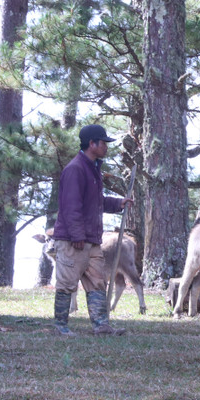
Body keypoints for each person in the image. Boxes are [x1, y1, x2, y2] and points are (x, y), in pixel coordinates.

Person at [51, 124, 133, 336]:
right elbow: (71, 206)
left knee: (97, 282)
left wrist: (118, 203)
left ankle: (101, 326)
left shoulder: (92, 169)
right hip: (73, 240)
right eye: (103, 142)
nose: (106, 146)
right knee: (67, 283)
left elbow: (95, 201)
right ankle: (60, 327)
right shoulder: (75, 169)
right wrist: (77, 235)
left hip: (91, 239)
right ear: (91, 144)